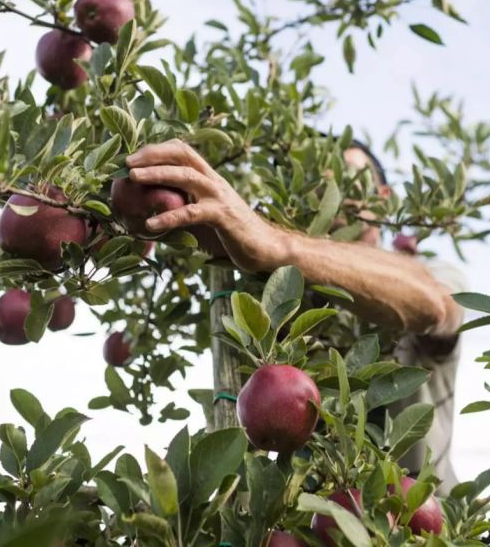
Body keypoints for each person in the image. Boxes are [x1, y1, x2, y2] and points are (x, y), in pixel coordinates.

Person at [123, 138, 465, 493]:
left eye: (349, 179)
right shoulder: (292, 294)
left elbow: (432, 305)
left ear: (382, 196)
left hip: (421, 525)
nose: (338, 193)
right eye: (322, 184)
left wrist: (275, 242)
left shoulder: (433, 272)